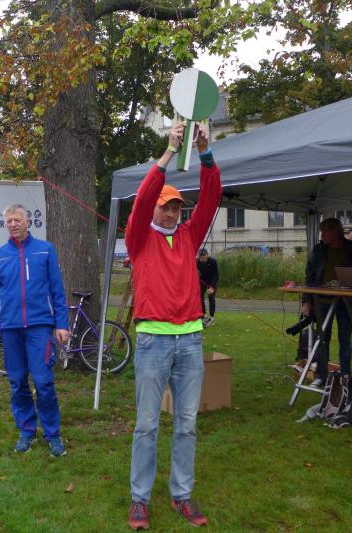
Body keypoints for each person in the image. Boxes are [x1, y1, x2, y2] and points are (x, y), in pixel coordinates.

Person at [125, 121, 221, 530]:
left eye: (177, 207)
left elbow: (212, 199)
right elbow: (144, 195)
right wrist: (167, 152)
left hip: (191, 342)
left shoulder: (188, 236)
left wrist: (205, 153)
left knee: (187, 425)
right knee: (147, 425)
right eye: (166, 206)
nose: (171, 212)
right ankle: (139, 500)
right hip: (153, 342)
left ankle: (181, 494)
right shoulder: (138, 238)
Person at [0, 204, 70, 457]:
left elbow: (57, 289)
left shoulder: (45, 250)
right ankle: (26, 430)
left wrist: (62, 323)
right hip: (10, 328)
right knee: (17, 382)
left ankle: (53, 434)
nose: (13, 224)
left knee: (43, 382)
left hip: (39, 327)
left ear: (27, 222)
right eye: (9, 221)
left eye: (17, 220)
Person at [301, 218, 352, 387]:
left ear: (335, 232)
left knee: (345, 338)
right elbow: (310, 275)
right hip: (322, 301)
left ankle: (345, 376)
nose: (322, 235)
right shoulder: (319, 250)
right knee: (322, 338)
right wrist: (307, 300)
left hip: (347, 302)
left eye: (325, 232)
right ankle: (321, 375)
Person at [196, 247, 219, 328]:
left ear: (207, 255)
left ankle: (211, 318)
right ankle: (204, 316)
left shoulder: (213, 261)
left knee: (211, 297)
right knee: (200, 296)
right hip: (202, 281)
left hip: (212, 281)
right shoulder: (196, 262)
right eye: (201, 257)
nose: (202, 259)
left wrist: (212, 287)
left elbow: (216, 275)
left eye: (204, 257)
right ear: (198, 256)